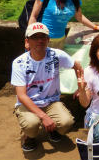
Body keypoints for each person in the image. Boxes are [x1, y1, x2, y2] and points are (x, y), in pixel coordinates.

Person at [11, 22, 83, 152]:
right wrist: (44, 117)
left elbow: (76, 65)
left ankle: (52, 129)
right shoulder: (19, 63)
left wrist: (80, 87)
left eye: (43, 37)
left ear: (48, 40)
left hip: (51, 101)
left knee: (66, 122)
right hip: (28, 103)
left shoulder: (56, 55)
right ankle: (29, 136)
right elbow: (21, 96)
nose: (40, 40)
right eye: (35, 37)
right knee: (31, 125)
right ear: (27, 42)